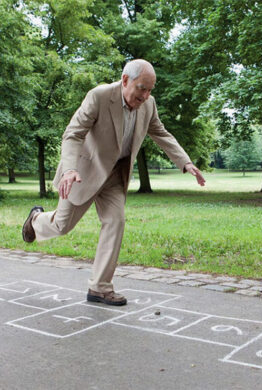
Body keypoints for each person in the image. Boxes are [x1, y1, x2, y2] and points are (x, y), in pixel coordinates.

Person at [22, 59, 205, 306]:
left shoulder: (148, 105)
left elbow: (160, 132)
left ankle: (100, 288)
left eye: (150, 89)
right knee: (63, 225)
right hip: (83, 172)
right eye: (142, 88)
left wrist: (185, 162)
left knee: (115, 222)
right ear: (125, 80)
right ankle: (36, 220)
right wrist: (69, 170)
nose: (146, 95)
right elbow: (73, 134)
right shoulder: (99, 96)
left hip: (115, 176)